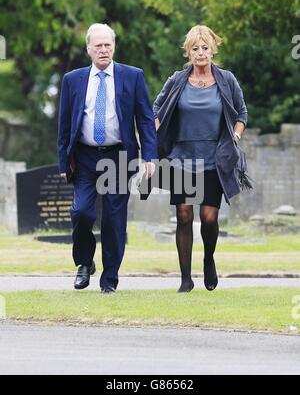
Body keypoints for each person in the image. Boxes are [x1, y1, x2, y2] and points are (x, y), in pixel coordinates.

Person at [58, 23, 157, 294]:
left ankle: (109, 280)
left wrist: (150, 156)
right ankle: (84, 262)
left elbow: (146, 119)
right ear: (88, 49)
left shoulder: (132, 76)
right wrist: (62, 162)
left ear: (114, 47)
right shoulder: (73, 80)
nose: (103, 50)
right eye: (98, 46)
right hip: (85, 156)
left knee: (114, 221)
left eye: (108, 45)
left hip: (118, 156)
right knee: (81, 212)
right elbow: (64, 125)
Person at [153, 25, 248, 293]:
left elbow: (242, 113)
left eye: (205, 47)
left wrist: (235, 138)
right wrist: (159, 133)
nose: (200, 53)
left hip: (213, 159)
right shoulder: (177, 80)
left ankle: (208, 259)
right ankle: (185, 278)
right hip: (180, 158)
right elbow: (156, 109)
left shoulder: (226, 80)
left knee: (208, 217)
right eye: (195, 48)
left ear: (213, 50)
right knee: (183, 215)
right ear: (188, 52)